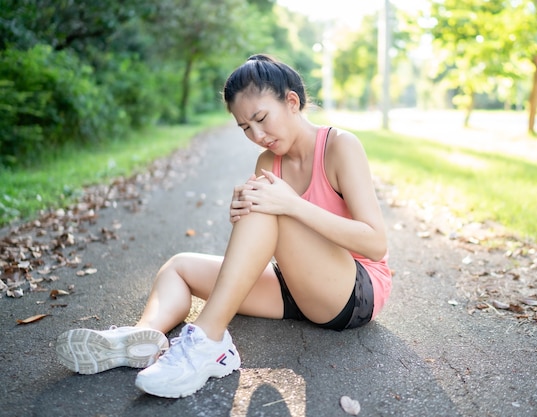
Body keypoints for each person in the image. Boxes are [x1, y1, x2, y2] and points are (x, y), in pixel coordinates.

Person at [55, 54, 392, 399]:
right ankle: (142, 337)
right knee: (180, 267)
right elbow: (268, 236)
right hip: (295, 284)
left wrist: (290, 205)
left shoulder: (339, 146)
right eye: (246, 128)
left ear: (292, 101)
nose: (258, 135)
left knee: (267, 202)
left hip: (352, 291)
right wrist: (246, 216)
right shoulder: (268, 161)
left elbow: (375, 243)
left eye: (261, 118)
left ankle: (209, 341)